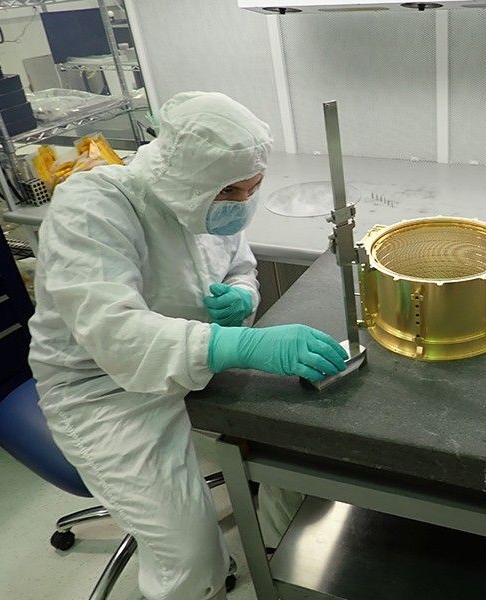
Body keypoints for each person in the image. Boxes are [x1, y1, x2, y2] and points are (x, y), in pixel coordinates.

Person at [27, 91, 346, 600]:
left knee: (301, 444)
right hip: (103, 389)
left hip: (199, 358)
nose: (242, 203)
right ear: (189, 181)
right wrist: (242, 347)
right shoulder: (92, 209)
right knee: (192, 560)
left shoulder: (212, 198)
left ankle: (274, 555)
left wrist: (242, 295)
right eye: (231, 193)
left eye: (253, 188)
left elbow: (240, 263)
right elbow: (115, 333)